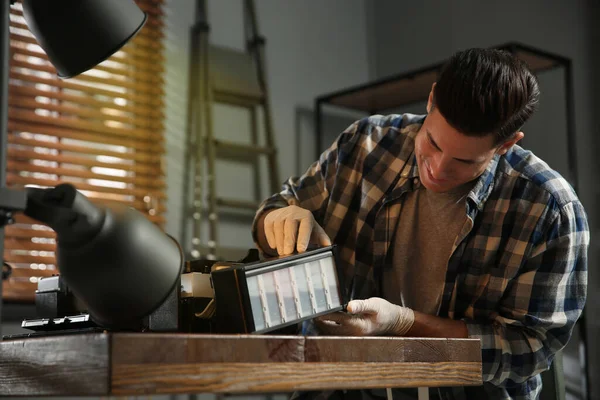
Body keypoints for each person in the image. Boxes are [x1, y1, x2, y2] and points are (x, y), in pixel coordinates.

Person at [251, 48, 589, 399]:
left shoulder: (548, 209)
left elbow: (526, 350)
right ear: (430, 100)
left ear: (506, 144)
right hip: (340, 388)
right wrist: (278, 218)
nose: (438, 169)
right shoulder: (366, 144)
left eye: (463, 160)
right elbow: (275, 210)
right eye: (432, 142)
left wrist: (403, 323)